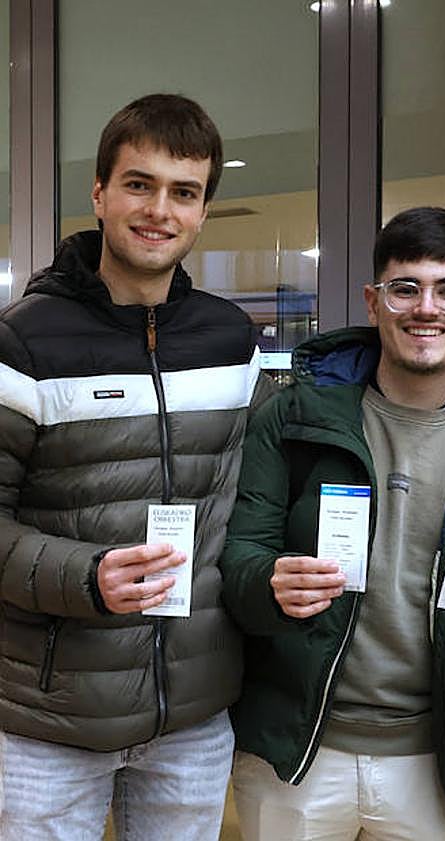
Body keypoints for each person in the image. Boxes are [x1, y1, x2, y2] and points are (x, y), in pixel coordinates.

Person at [220, 206, 445, 841]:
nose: (427, 307)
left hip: (437, 759)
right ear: (374, 301)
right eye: (406, 288)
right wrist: (269, 584)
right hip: (297, 753)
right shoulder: (291, 420)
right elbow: (239, 560)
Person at [0, 93, 276, 841]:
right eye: (138, 184)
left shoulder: (230, 340)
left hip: (191, 712)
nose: (159, 209)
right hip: (47, 721)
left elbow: (264, 494)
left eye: (183, 192)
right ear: (98, 192)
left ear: (203, 209)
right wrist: (88, 575)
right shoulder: (22, 344)